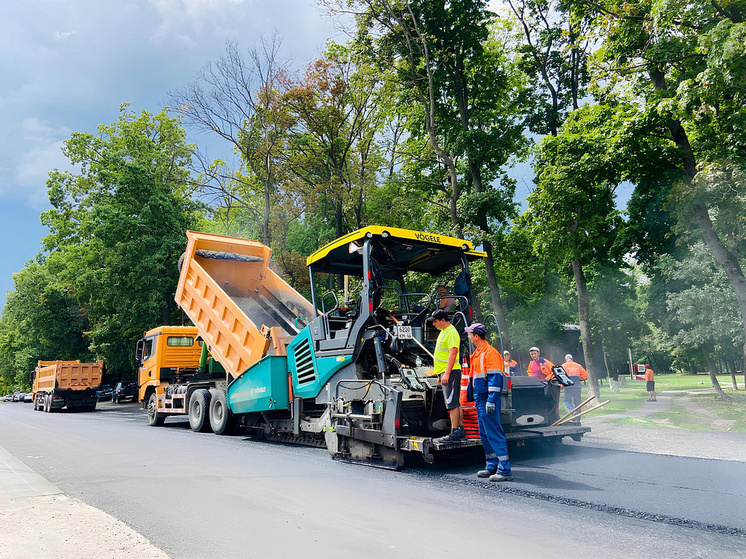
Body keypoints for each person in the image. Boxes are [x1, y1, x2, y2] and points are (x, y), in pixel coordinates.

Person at [466, 323, 512, 482]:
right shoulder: (478, 353)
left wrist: (491, 401)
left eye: (470, 334)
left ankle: (504, 470)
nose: (468, 336)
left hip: (487, 399)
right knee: (485, 434)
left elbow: (495, 379)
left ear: (476, 336)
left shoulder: (490, 353)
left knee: (493, 432)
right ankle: (491, 464)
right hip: (481, 399)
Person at [427, 309, 464, 442]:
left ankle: (454, 432)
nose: (434, 324)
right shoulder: (444, 332)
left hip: (451, 372)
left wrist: (446, 374)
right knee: (455, 402)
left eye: (436, 321)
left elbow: (452, 354)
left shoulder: (452, 333)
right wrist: (440, 374)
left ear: (443, 320)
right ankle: (460, 430)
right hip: (446, 372)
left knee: (451, 403)